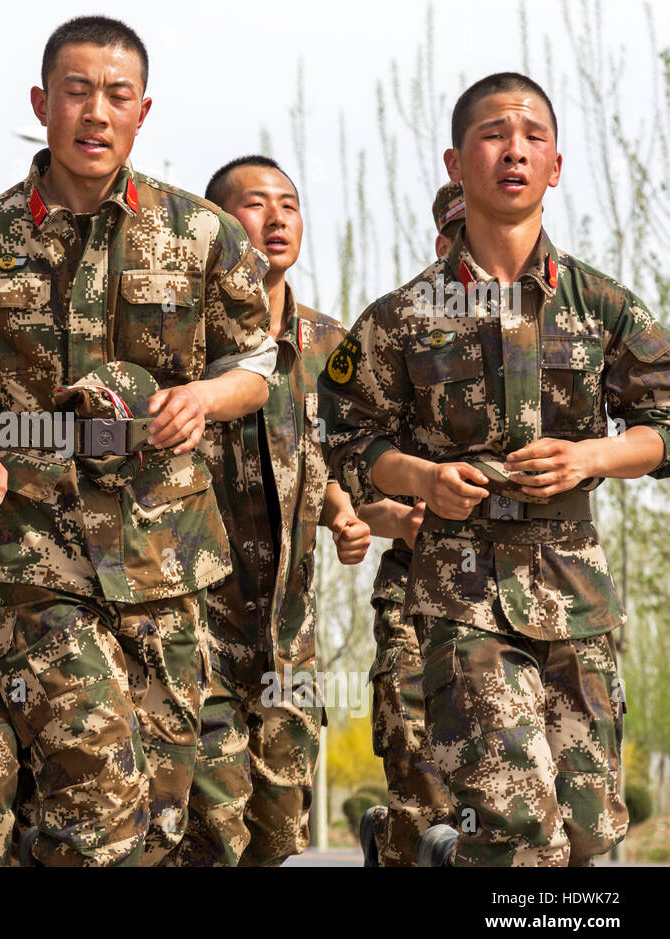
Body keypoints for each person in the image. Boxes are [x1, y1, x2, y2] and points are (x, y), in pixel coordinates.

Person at [0, 16, 276, 866]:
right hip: (37, 556)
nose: (95, 112)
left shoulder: (202, 233)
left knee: (162, 816)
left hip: (169, 552)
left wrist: (204, 400)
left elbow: (255, 363)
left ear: (144, 112)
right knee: (96, 798)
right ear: (41, 104)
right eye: (76, 92)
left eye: (116, 95)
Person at [320, 72, 670, 866]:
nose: (514, 149)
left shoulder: (604, 307)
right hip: (460, 595)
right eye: (492, 134)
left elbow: (663, 423)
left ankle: (441, 859)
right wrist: (419, 478)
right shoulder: (400, 317)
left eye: (532, 136)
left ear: (555, 165)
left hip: (575, 593)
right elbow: (342, 437)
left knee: (589, 833)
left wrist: (595, 454)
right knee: (521, 833)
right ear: (456, 162)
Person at [168, 155, 376, 866]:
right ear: (220, 230)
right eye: (255, 205)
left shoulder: (331, 346)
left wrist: (349, 513)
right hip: (198, 622)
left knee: (278, 830)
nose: (277, 217)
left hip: (288, 635)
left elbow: (340, 457)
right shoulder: (183, 343)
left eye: (288, 203)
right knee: (208, 827)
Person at [357, 182, 463, 868]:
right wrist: (396, 515)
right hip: (418, 591)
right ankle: (399, 833)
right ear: (441, 241)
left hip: (527, 593)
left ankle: (394, 837)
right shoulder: (401, 341)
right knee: (424, 778)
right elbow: (346, 492)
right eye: (460, 231)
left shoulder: (547, 333)